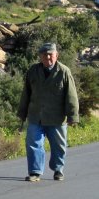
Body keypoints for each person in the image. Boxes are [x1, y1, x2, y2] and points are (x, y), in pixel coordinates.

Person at [17, 42, 79, 182]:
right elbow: (26, 94)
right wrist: (22, 113)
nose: (48, 58)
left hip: (56, 117)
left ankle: (58, 169)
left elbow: (71, 95)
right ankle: (35, 172)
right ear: (40, 57)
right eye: (45, 55)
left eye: (51, 55)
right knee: (33, 143)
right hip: (36, 115)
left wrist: (72, 116)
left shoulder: (64, 71)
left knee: (58, 146)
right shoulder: (33, 71)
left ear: (56, 55)